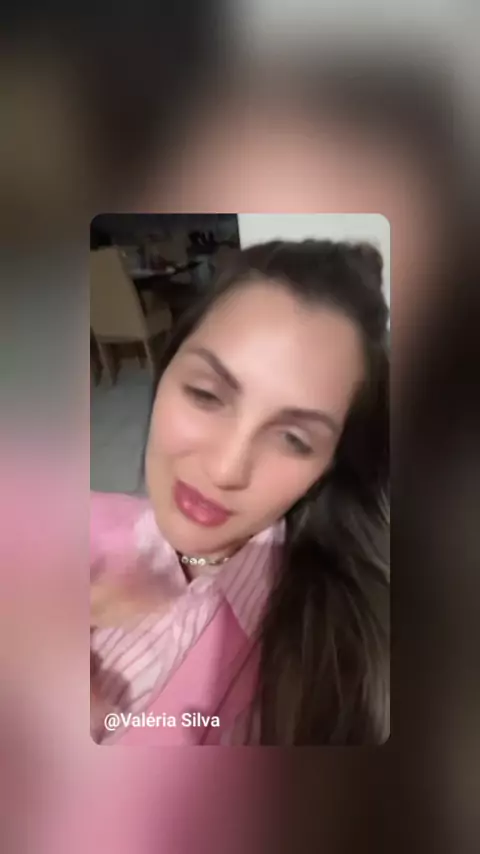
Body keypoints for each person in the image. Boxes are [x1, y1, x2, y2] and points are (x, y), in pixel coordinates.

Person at [90, 238, 389, 746]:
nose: (226, 469)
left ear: (329, 465)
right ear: (165, 373)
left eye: (294, 439)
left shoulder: (335, 673)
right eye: (206, 394)